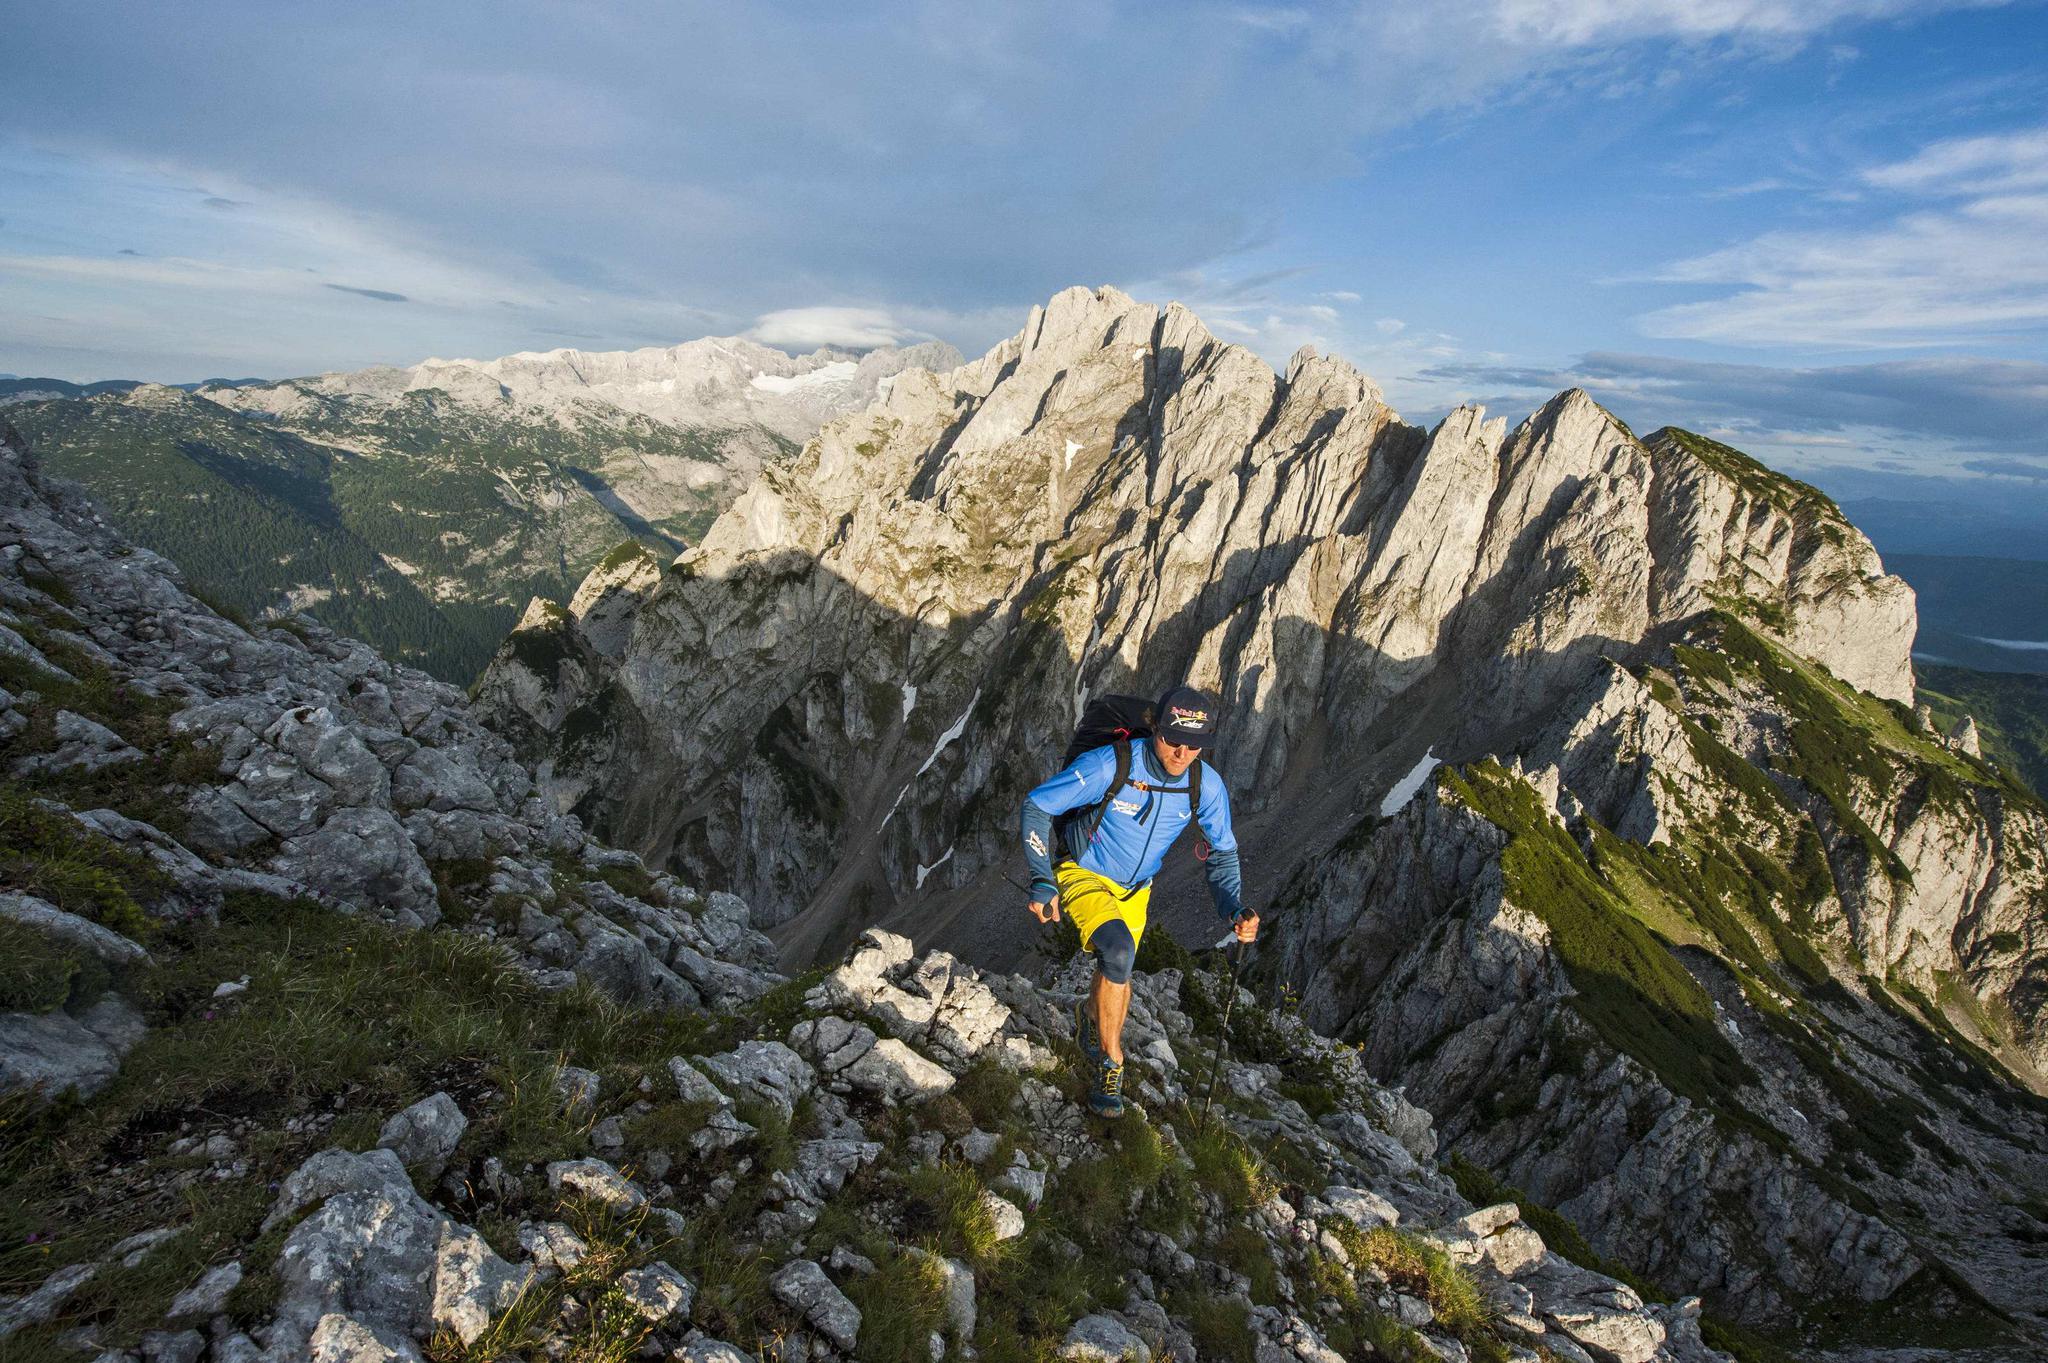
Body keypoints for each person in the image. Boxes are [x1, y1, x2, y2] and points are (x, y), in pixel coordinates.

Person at [1018, 684, 1258, 1116]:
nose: (1183, 754)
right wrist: (1042, 880)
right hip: (1083, 870)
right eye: (1174, 741)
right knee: (1119, 952)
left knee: (1118, 971)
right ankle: (1111, 1068)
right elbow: (1036, 806)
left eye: (1195, 746)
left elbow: (1222, 852)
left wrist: (1233, 908)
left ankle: (1090, 1020)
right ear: (1155, 730)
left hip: (1137, 889)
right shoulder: (1111, 764)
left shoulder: (1205, 784)